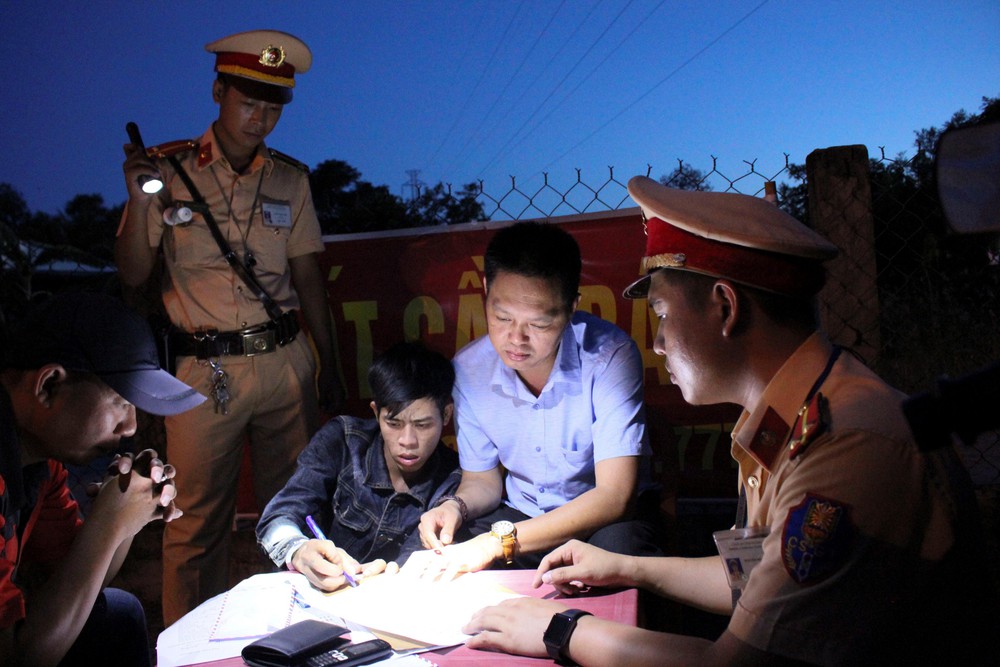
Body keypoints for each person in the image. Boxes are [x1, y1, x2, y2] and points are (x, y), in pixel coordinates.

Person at [460, 177, 993, 665]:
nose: (659, 342)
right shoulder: (785, 419)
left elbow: (738, 665)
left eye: (664, 315)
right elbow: (757, 576)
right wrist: (626, 567)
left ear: (724, 307)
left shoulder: (843, 444)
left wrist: (562, 631)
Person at [115, 29, 344, 624]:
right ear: (218, 91)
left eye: (273, 107)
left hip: (284, 365)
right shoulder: (169, 171)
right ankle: (189, 649)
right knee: (193, 526)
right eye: (249, 102)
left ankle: (290, 637)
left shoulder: (291, 180)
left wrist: (331, 368)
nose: (261, 118)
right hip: (202, 372)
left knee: (290, 515)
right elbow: (133, 273)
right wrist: (141, 201)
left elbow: (309, 280)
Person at [409, 221, 661, 579]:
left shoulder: (609, 356)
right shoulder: (468, 370)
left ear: (571, 307)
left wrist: (495, 544)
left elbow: (614, 497)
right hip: (521, 517)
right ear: (486, 291)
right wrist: (456, 506)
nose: (516, 339)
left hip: (602, 522)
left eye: (539, 324)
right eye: (502, 317)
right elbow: (483, 481)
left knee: (622, 556)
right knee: (441, 554)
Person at [0, 292, 205, 666]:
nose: (131, 427)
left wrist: (125, 510)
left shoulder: (41, 464)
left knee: (117, 614)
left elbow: (79, 584)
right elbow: (20, 659)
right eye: (120, 401)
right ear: (48, 386)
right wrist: (109, 524)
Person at [256, 341, 462, 591]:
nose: (407, 441)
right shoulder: (342, 441)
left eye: (423, 425)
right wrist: (298, 550)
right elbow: (276, 518)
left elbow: (424, 564)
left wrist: (392, 574)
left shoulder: (455, 479)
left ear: (447, 415)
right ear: (376, 413)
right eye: (394, 424)